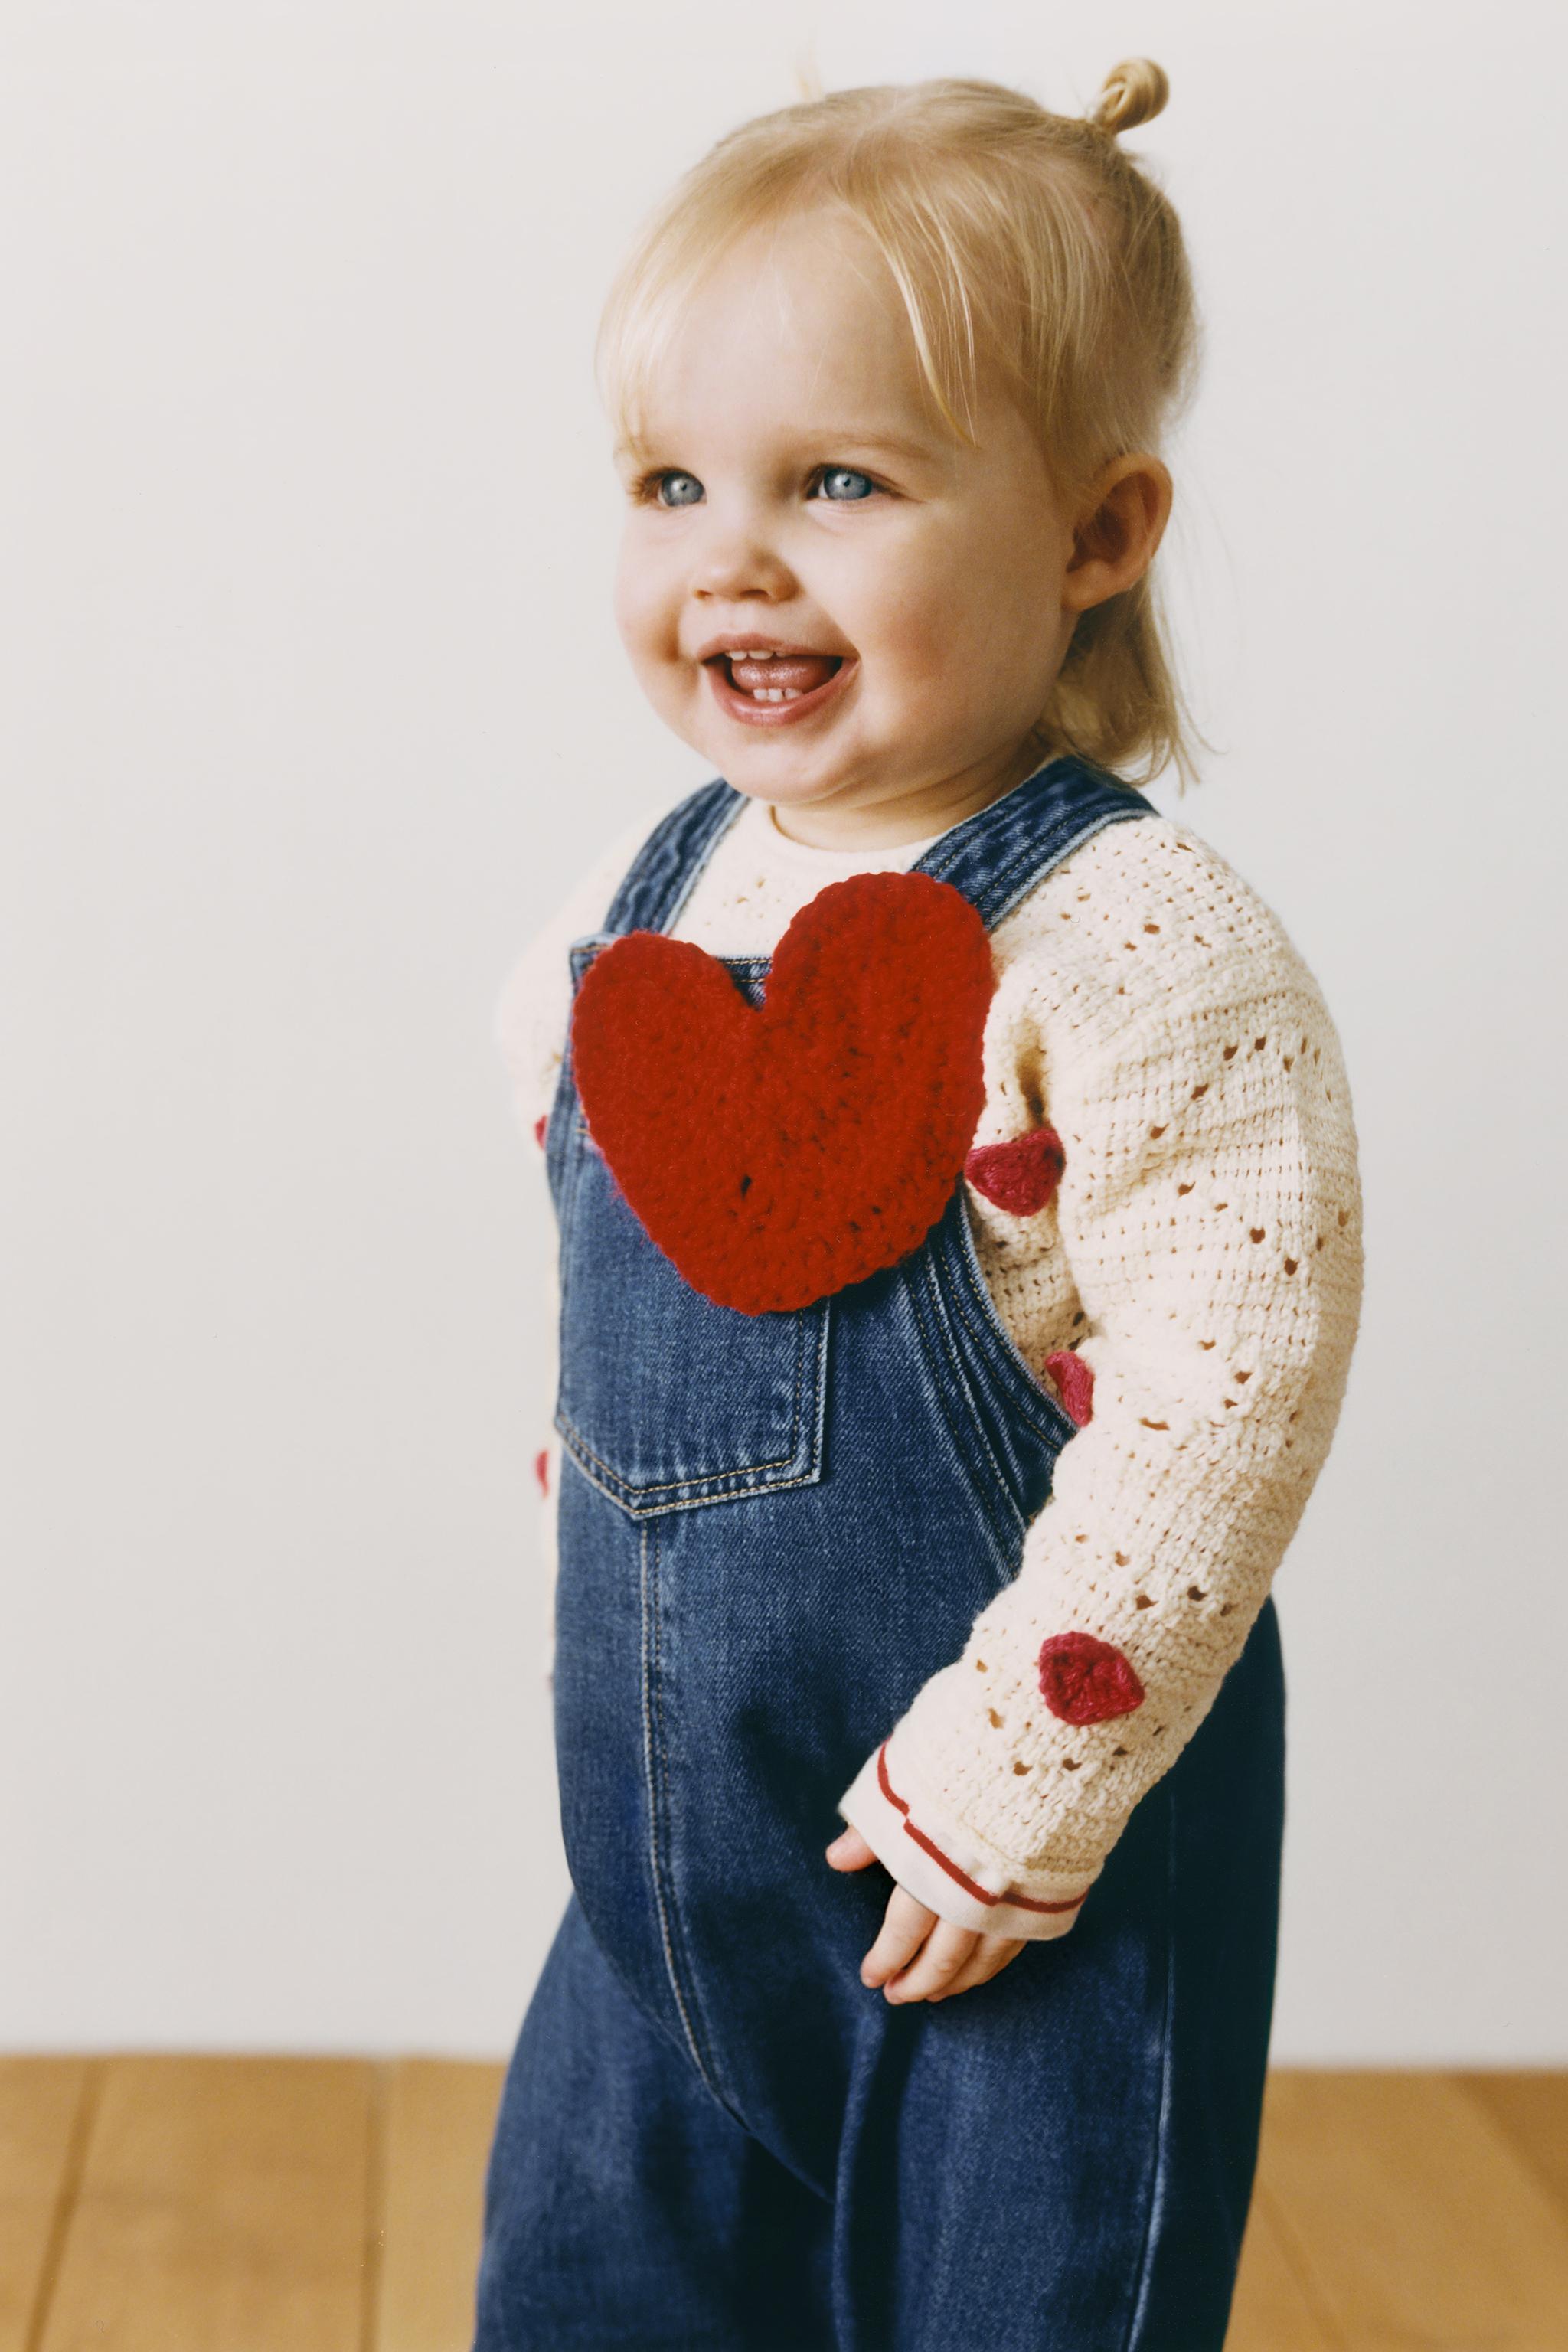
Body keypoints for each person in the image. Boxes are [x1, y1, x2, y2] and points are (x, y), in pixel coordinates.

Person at [473, 57, 1364, 2352]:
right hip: (670, 1868)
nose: (730, 557)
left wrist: (1031, 1773)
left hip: (1014, 1872)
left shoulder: (1141, 949)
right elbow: (609, 1242)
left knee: (1006, 2304)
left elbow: (1223, 1398)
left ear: (1096, 532)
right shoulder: (631, 904)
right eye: (673, 484)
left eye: (839, 482)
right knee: (592, 2286)